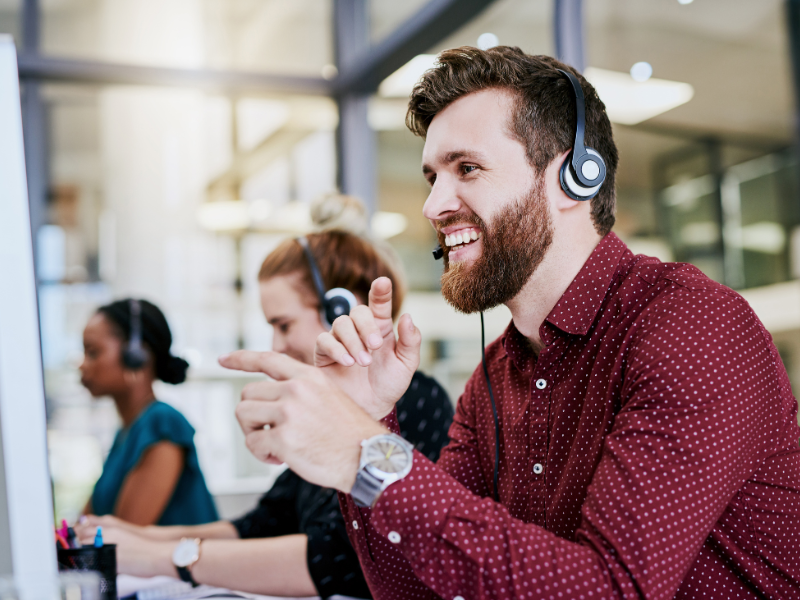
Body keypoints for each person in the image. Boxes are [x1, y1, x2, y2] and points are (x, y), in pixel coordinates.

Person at [222, 46, 800, 600]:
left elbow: (609, 590)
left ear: (575, 177)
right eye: (432, 178)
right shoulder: (495, 376)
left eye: (466, 168)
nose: (432, 206)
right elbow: (417, 592)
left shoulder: (694, 327)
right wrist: (373, 423)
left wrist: (366, 453)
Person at [77, 229, 453, 599]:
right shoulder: (330, 412)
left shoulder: (412, 400)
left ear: (340, 311)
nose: (276, 345)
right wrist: (130, 537)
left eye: (283, 324)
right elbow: (260, 525)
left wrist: (162, 556)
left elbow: (334, 559)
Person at [80, 299, 217, 526]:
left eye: (93, 352)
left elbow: (123, 537)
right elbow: (85, 524)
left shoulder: (161, 423)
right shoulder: (127, 431)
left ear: (136, 355)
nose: (83, 365)